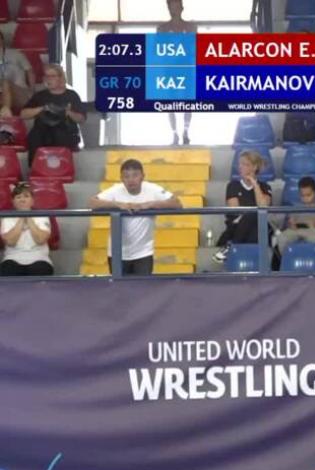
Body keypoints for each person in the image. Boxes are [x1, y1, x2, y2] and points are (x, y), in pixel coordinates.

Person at [88, 159, 183, 276]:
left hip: (143, 253)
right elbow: (92, 203)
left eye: (135, 175)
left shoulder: (152, 189)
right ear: (121, 178)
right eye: (126, 176)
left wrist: (149, 204)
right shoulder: (116, 190)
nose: (131, 180)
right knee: (119, 286)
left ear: (142, 176)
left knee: (143, 287)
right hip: (117, 252)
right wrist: (118, 204)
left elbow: (177, 203)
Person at [212, 150, 273, 264]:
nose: (240, 167)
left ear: (254, 167)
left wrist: (254, 184)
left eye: (245, 164)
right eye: (240, 164)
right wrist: (252, 212)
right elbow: (235, 209)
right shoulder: (233, 186)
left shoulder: (264, 187)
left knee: (256, 223)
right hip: (236, 226)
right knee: (253, 215)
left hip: (257, 228)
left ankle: (229, 248)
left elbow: (263, 206)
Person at [20, 65, 86, 166]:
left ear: (60, 78)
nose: (48, 79)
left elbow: (81, 119)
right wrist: (42, 108)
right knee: (35, 136)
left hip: (65, 130)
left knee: (60, 135)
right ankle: (35, 168)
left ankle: (61, 168)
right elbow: (23, 114)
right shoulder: (40, 95)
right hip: (42, 130)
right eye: (46, 76)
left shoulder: (72, 95)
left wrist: (68, 112)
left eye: (52, 76)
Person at [157, 0, 196, 145]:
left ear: (181, 8)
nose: (174, 10)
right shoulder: (162, 29)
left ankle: (186, 132)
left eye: (176, 6)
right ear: (168, 9)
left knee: (188, 101)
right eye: (171, 7)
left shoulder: (190, 27)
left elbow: (194, 48)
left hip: (187, 69)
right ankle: (174, 133)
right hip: (170, 70)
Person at [0, 182, 53, 276]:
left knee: (40, 271)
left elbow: (40, 240)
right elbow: (10, 242)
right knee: (7, 271)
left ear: (32, 200)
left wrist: (28, 216)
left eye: (26, 196)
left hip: (39, 259)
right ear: (13, 202)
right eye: (18, 197)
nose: (22, 200)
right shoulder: (7, 218)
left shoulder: (42, 216)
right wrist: (21, 217)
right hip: (12, 258)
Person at [276, 177, 315, 251]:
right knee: (282, 237)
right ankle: (285, 256)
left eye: (308, 195)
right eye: (302, 196)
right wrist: (291, 224)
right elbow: (291, 221)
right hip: (296, 230)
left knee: (314, 239)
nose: (305, 198)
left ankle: (313, 256)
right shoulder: (296, 206)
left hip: (313, 230)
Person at [0, 32, 36, 117]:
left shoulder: (16, 54)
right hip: (2, 94)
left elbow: (30, 72)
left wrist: (32, 90)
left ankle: (6, 114)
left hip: (21, 92)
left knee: (5, 83)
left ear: (2, 40)